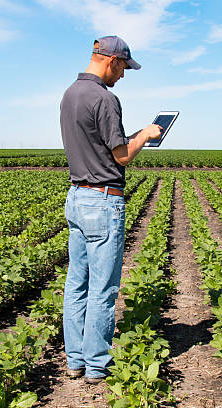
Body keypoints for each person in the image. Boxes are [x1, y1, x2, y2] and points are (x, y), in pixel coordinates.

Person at [60, 35, 162, 384]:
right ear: (112, 60)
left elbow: (100, 145)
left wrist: (132, 134)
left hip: (76, 197)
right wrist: (146, 135)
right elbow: (121, 156)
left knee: (77, 284)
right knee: (102, 290)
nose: (124, 75)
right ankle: (97, 366)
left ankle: (75, 360)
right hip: (102, 201)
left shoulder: (70, 94)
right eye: (124, 67)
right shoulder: (105, 98)